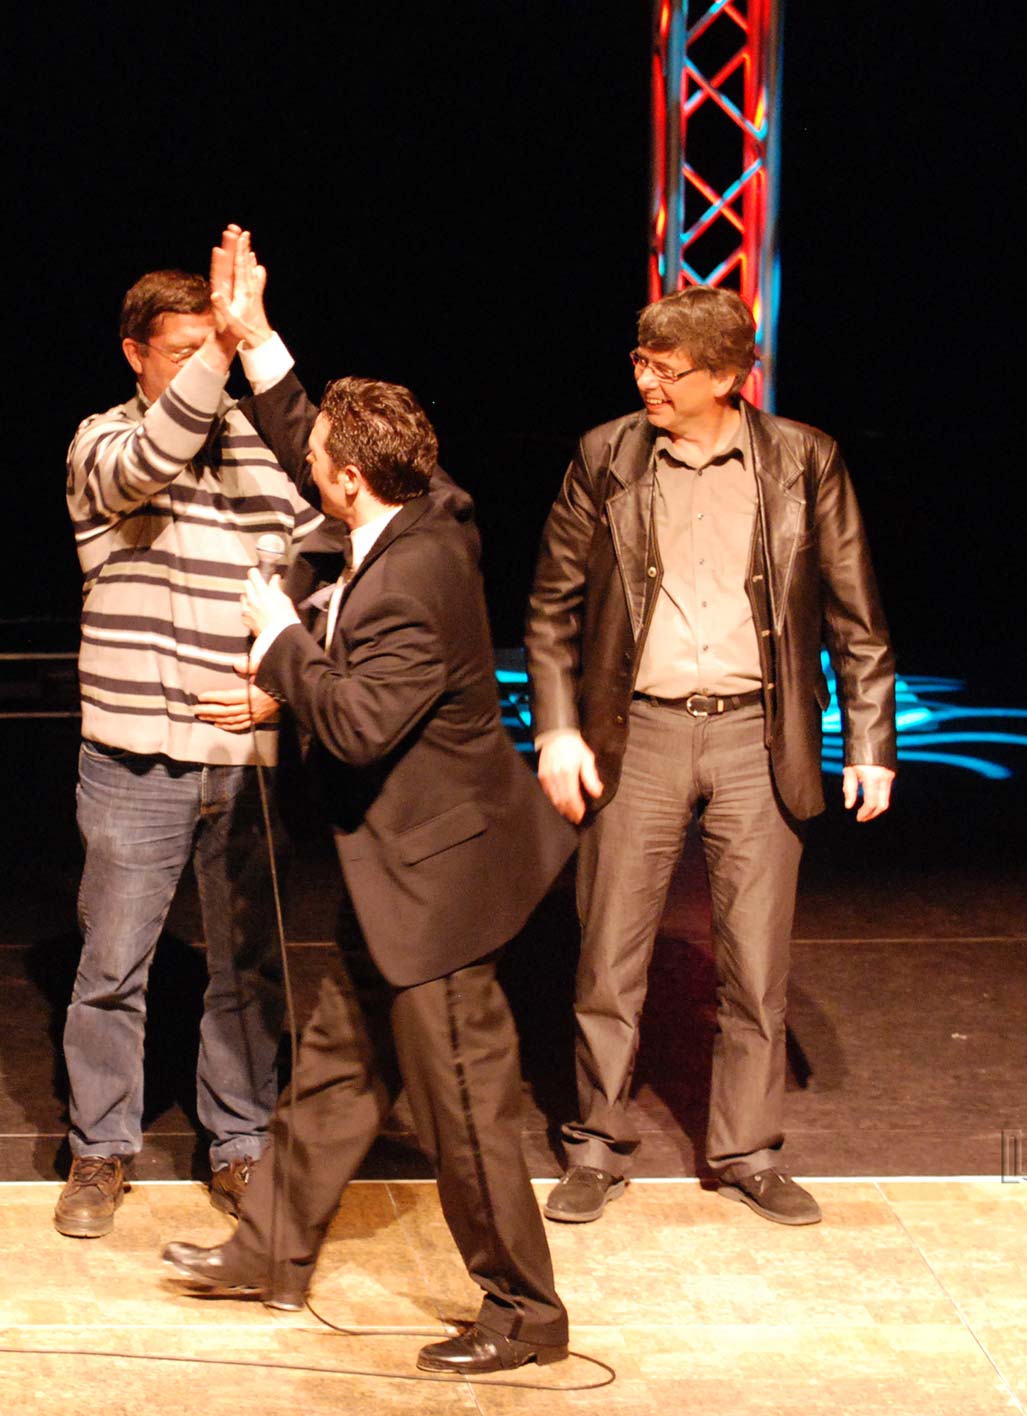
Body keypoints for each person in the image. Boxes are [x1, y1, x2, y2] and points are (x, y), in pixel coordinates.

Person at [162, 378, 576, 1375]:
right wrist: (261, 351)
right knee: (336, 1070)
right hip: (395, 875)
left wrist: (278, 638)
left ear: (351, 481)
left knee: (464, 1110)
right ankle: (269, 1249)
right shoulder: (434, 508)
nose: (304, 468)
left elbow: (353, 726)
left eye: (316, 464)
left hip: (441, 889)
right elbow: (327, 441)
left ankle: (525, 1312)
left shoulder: (409, 583)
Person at [525, 285, 897, 1227]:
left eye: (667, 369)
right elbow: (552, 608)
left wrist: (869, 742)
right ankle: (597, 1144)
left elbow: (856, 614)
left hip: (755, 735)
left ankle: (747, 1151)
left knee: (755, 964)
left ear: (728, 377)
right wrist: (559, 727)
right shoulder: (606, 456)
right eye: (640, 362)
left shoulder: (804, 459)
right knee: (608, 957)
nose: (646, 382)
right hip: (639, 731)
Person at [55, 228, 321, 1237]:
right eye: (182, 350)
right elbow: (153, 458)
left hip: (246, 759)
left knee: (246, 969)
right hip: (136, 757)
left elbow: (335, 550)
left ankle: (240, 1143)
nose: (204, 370)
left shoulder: (266, 447)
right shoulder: (101, 442)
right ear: (135, 353)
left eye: (214, 349)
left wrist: (287, 687)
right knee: (112, 967)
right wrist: (222, 346)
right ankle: (100, 1149)